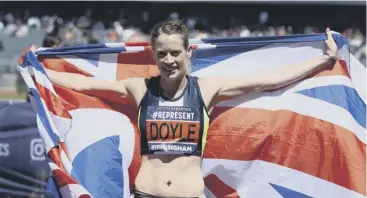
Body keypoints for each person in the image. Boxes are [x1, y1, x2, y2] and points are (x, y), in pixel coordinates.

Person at [31, 20, 337, 198]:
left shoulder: (206, 88)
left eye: (175, 52)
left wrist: (322, 61)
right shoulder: (140, 88)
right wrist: (38, 69)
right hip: (146, 194)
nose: (169, 60)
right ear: (154, 54)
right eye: (162, 53)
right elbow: (84, 85)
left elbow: (267, 80)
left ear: (187, 52)